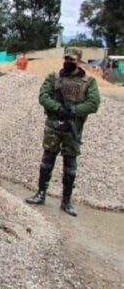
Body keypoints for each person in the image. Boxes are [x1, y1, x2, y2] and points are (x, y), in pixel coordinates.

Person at [25, 47, 100, 216]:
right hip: (54, 126)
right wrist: (58, 108)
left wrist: (73, 110)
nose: (68, 63)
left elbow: (93, 104)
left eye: (72, 60)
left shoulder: (89, 82)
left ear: (79, 61)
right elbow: (43, 96)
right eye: (66, 59)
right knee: (47, 161)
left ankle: (66, 201)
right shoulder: (55, 78)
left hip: (72, 129)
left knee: (70, 166)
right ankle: (40, 194)